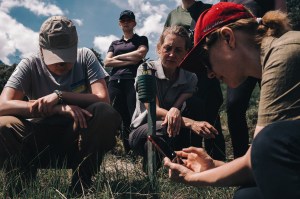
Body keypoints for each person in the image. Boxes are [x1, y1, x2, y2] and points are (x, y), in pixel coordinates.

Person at [164, 2, 300, 199]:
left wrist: (193, 178)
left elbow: (259, 157)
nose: (209, 74)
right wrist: (212, 166)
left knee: (269, 141)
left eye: (205, 60)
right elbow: (261, 162)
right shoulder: (273, 57)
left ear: (228, 38)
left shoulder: (284, 55)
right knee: (247, 195)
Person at [0, 16, 121, 195]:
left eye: (66, 55)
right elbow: (3, 104)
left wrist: (60, 96)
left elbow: (103, 99)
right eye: (54, 56)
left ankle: (82, 183)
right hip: (36, 138)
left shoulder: (85, 56)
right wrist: (59, 109)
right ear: (41, 49)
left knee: (104, 113)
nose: (61, 63)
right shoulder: (29, 63)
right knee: (4, 124)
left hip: (75, 137)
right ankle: (21, 183)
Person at [129, 25, 218, 170]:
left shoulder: (190, 78)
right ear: (159, 48)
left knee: (196, 104)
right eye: (167, 48)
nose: (172, 54)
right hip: (145, 129)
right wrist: (191, 123)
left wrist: (175, 109)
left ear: (185, 53)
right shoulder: (146, 69)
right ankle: (169, 162)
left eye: (178, 50)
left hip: (173, 130)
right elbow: (153, 110)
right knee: (162, 129)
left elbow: (183, 101)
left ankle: (191, 160)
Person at [219, 0, 287, 158]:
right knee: (234, 105)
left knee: (278, 104)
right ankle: (241, 159)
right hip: (239, 55)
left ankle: (280, 156)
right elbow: (221, 17)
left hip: (268, 52)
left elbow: (281, 15)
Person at [164, 0, 226, 161]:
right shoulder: (173, 15)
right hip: (186, 73)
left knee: (212, 113)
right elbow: (166, 40)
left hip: (207, 70)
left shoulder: (207, 9)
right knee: (192, 111)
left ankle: (217, 159)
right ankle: (194, 159)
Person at [104, 10, 148, 153]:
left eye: (129, 20)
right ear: (119, 24)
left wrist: (117, 59)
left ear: (134, 23)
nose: (126, 22)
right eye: (123, 20)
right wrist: (131, 58)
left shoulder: (141, 39)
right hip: (114, 81)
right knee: (118, 116)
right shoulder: (114, 43)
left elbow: (140, 54)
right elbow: (107, 62)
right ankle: (125, 150)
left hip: (132, 80)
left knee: (133, 115)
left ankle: (136, 150)